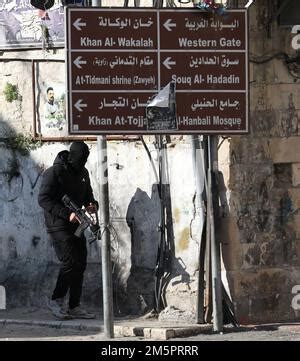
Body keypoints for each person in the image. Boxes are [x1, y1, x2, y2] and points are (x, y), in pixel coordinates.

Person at [38, 141, 98, 320]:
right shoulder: (54, 172)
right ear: (72, 155)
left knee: (80, 262)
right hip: (58, 224)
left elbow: (89, 197)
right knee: (69, 261)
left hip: (77, 223)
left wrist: (93, 206)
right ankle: (56, 300)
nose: (83, 161)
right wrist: (66, 214)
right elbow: (43, 199)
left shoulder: (83, 173)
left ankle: (74, 305)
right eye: (81, 158)